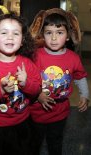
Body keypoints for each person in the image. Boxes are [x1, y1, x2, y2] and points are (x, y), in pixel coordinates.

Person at [0, 5, 41, 155]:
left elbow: (37, 90)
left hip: (23, 123)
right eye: (4, 32)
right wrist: (1, 89)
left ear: (23, 39)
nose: (10, 37)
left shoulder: (27, 64)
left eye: (16, 33)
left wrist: (26, 84)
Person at [29, 8, 90, 155]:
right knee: (33, 144)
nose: (54, 38)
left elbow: (80, 77)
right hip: (36, 112)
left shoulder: (73, 58)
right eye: (49, 33)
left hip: (60, 112)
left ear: (68, 36)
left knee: (55, 142)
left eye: (60, 32)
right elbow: (28, 81)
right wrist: (37, 95)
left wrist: (85, 95)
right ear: (42, 35)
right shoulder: (35, 56)